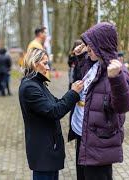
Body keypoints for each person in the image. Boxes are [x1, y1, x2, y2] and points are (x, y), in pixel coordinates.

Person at [68, 22, 129, 180]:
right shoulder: (96, 65)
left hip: (99, 144)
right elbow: (93, 84)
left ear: (101, 45)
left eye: (91, 45)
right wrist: (82, 58)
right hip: (84, 136)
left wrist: (116, 79)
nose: (87, 48)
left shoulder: (117, 71)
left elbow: (124, 106)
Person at [18, 47, 84, 180]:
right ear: (33, 63)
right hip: (43, 152)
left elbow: (57, 103)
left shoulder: (38, 83)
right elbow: (54, 111)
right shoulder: (30, 87)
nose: (48, 67)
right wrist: (73, 93)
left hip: (49, 150)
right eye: (44, 63)